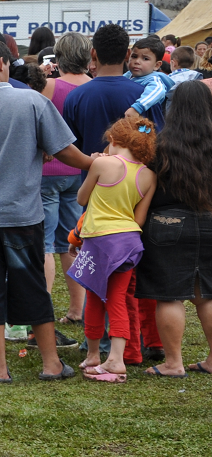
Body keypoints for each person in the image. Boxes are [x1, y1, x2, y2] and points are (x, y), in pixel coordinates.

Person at [0, 36, 99, 382]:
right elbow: (66, 150)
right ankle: (51, 363)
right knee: (32, 287)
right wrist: (93, 163)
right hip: (23, 215)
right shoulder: (32, 102)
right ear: (1, 63)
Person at [69, 114, 158, 380]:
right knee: (117, 298)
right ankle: (113, 356)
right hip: (129, 242)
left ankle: (98, 355)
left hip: (99, 241)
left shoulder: (103, 164)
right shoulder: (149, 175)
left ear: (113, 139)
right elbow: (139, 219)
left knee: (95, 297)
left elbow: (81, 198)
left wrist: (97, 162)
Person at [136, 80, 212, 376]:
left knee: (170, 296)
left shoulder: (159, 142)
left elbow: (134, 137)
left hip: (166, 223)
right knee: (206, 295)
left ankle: (173, 363)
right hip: (209, 220)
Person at [41, 32, 93, 326]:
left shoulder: (49, 86)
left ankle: (43, 311)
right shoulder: (93, 87)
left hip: (48, 172)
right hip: (83, 173)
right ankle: (78, 308)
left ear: (58, 58)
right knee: (72, 242)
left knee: (45, 245)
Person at [62, 24, 142, 158]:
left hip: (92, 175)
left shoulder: (75, 97)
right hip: (136, 177)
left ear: (93, 53)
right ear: (128, 54)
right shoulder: (144, 95)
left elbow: (71, 146)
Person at [124, 35, 175, 128]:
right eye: (134, 56)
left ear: (157, 65)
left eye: (145, 59)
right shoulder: (127, 75)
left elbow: (158, 90)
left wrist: (137, 108)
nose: (137, 61)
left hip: (147, 125)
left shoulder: (153, 79)